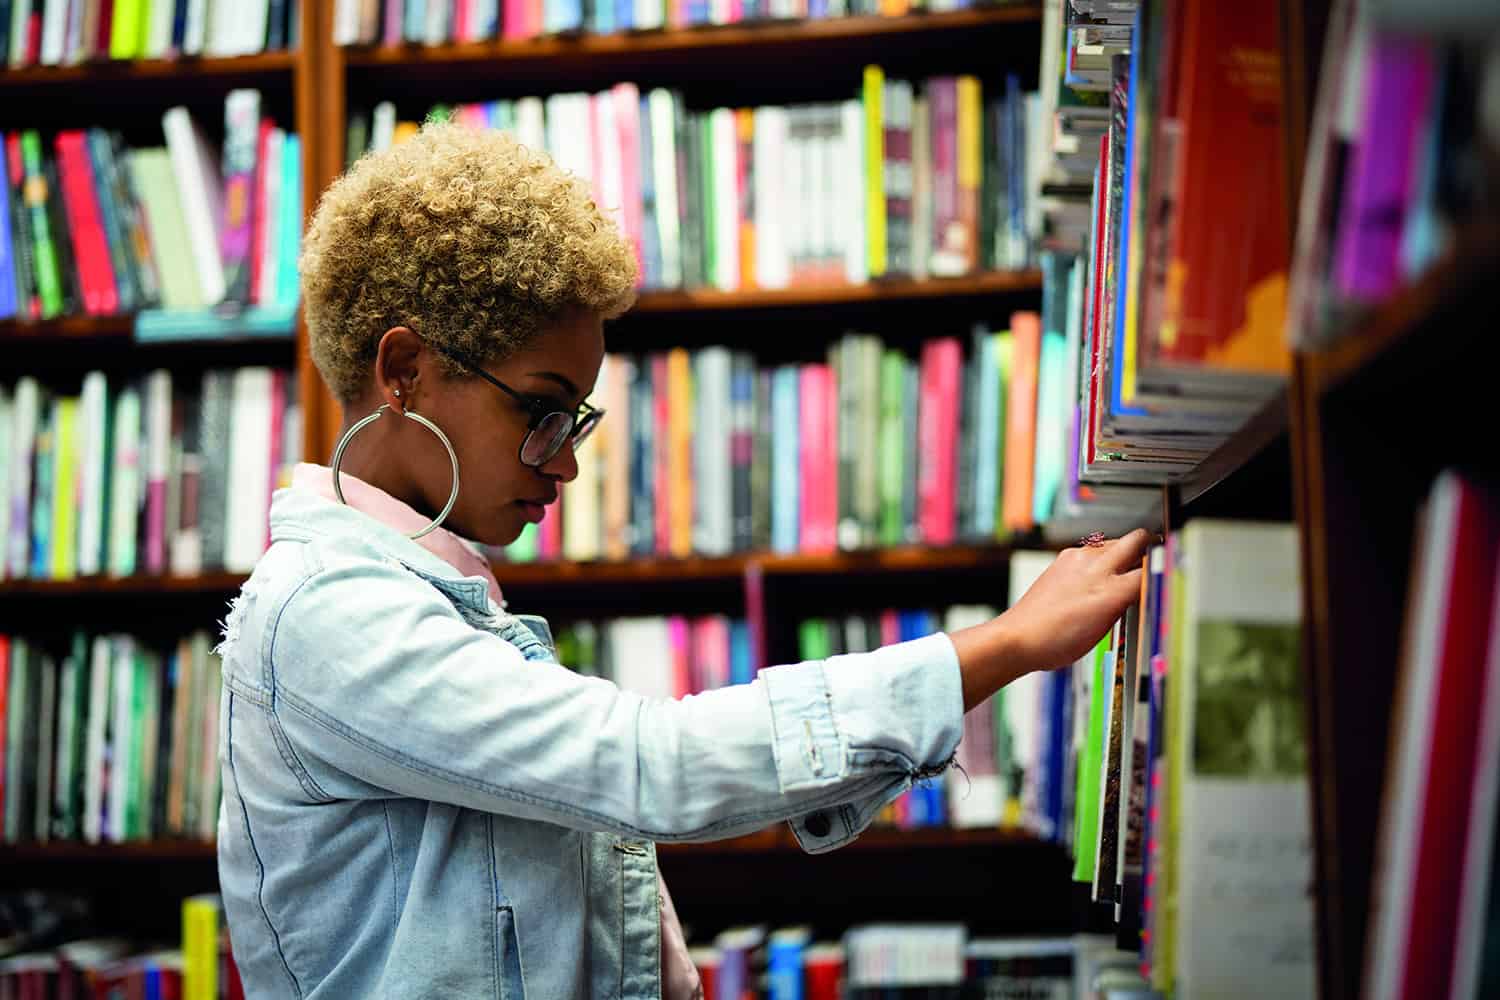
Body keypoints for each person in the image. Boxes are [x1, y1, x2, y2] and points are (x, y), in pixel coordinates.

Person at [214, 121, 1150, 999]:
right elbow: (646, 765)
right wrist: (1013, 643)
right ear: (404, 370)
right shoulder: (329, 612)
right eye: (539, 410)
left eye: (575, 418)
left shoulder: (422, 586)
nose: (567, 461)